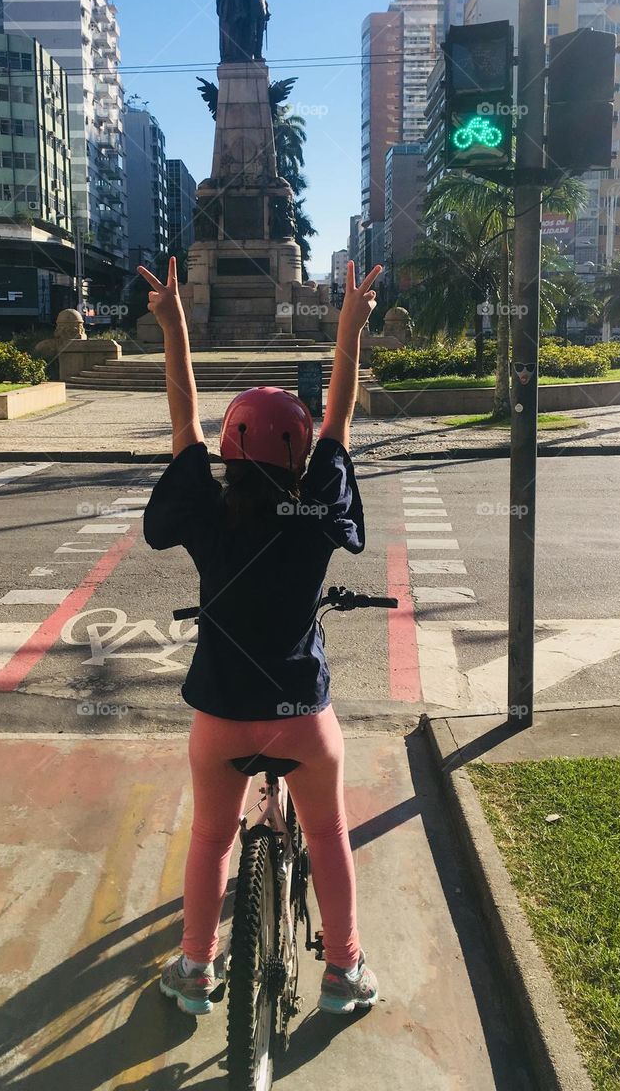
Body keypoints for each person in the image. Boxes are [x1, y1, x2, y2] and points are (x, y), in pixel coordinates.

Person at [137, 255, 383, 1019]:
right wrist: (349, 328)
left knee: (212, 838)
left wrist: (174, 324)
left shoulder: (208, 509)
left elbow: (184, 421)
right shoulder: (316, 508)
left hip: (219, 712)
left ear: (230, 449)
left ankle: (195, 970)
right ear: (300, 453)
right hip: (300, 716)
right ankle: (344, 973)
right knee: (330, 829)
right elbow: (339, 418)